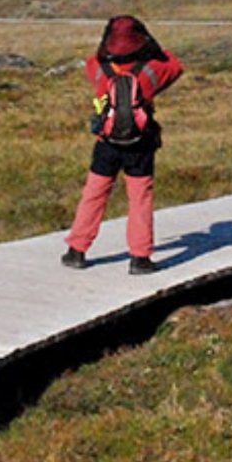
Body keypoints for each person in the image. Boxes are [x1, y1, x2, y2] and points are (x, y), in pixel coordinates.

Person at [63, 15, 185, 275]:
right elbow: (175, 65)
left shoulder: (97, 67)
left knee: (94, 193)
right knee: (140, 198)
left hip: (106, 142)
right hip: (141, 142)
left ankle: (77, 250)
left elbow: (93, 60)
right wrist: (155, 45)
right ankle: (140, 258)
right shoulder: (153, 70)